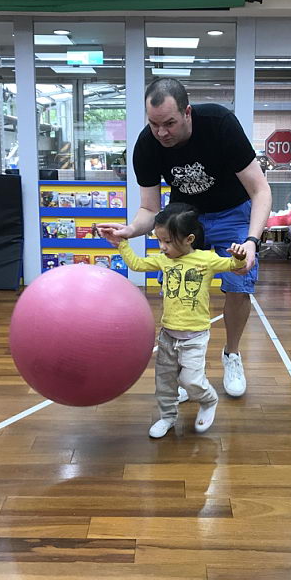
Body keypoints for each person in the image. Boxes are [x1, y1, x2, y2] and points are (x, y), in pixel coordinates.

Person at [98, 77, 272, 398]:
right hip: (185, 217)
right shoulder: (147, 145)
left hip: (233, 212)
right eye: (154, 124)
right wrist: (129, 230)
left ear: (187, 112)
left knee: (238, 285)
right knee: (178, 287)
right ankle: (186, 368)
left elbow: (260, 190)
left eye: (169, 123)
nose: (162, 132)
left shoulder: (219, 123)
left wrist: (252, 240)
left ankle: (232, 354)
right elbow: (149, 209)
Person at [102, 203, 247, 438]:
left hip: (195, 336)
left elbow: (233, 265)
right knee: (165, 382)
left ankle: (208, 400)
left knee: (190, 380)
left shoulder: (206, 260)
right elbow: (137, 264)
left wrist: (239, 257)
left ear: (189, 239)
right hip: (168, 335)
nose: (162, 247)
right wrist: (122, 244)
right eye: (159, 240)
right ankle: (167, 417)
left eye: (167, 242)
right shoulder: (164, 260)